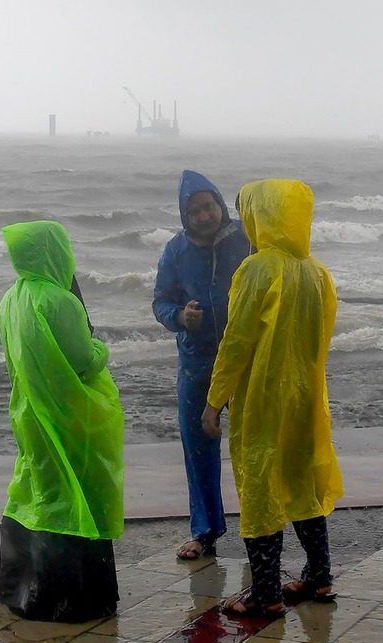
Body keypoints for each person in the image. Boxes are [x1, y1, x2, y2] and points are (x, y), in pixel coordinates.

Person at [201, 178, 343, 618]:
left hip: (264, 396)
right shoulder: (317, 272)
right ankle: (319, 576)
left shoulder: (257, 269)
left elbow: (237, 340)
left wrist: (214, 400)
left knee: (260, 485)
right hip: (306, 395)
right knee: (300, 480)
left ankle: (265, 592)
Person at [0, 220, 125, 623]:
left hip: (30, 412)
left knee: (36, 489)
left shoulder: (11, 298)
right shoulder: (59, 301)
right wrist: (102, 347)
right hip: (71, 415)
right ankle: (71, 597)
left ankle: (16, 584)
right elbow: (83, 360)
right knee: (77, 495)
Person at [152, 170, 252, 561]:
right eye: (194, 211)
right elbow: (160, 300)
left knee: (250, 444)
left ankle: (257, 525)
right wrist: (179, 316)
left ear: (220, 204)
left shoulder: (248, 239)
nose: (204, 215)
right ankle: (205, 530)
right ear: (184, 215)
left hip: (245, 356)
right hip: (197, 359)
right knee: (198, 445)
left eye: (208, 206)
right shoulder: (175, 251)